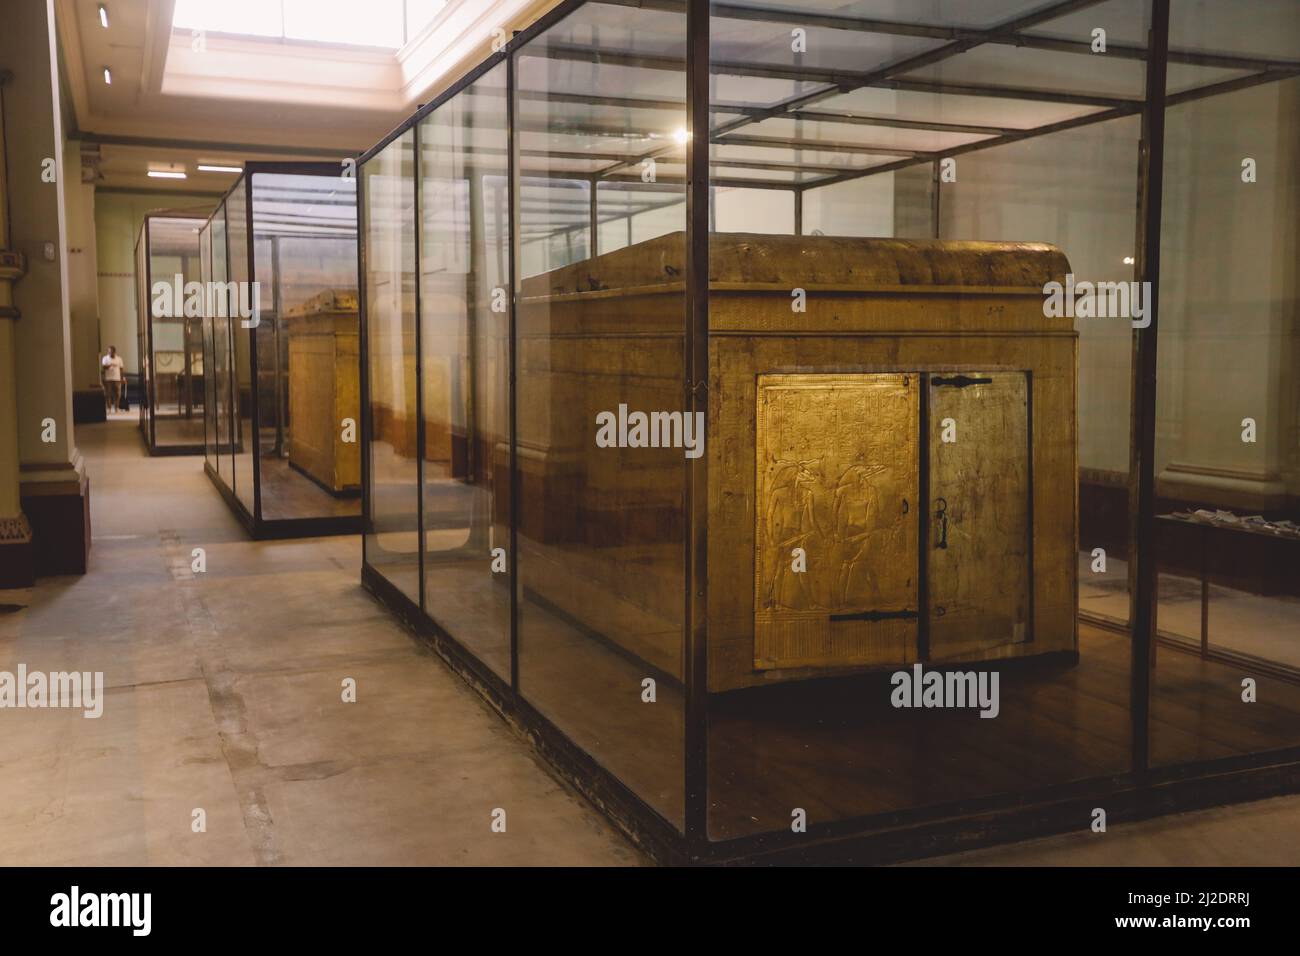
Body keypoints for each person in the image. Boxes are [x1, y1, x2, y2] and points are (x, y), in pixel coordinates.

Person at [101, 346, 124, 412]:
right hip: (108, 379)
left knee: (117, 394)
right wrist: (110, 365)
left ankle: (116, 408)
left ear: (114, 352)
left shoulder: (119, 359)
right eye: (109, 352)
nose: (110, 353)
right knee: (108, 394)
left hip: (117, 378)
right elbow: (103, 367)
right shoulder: (105, 358)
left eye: (111, 352)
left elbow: (121, 369)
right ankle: (109, 408)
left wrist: (122, 378)